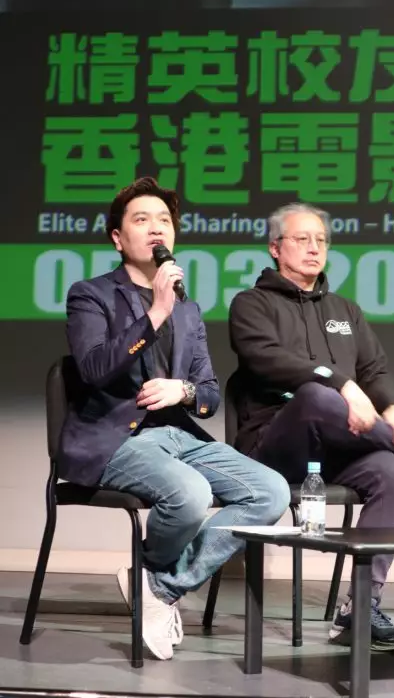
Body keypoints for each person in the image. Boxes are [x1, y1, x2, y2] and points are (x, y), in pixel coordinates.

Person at [57, 177, 290, 661]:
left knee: (271, 492)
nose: (156, 228)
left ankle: (159, 587)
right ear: (118, 238)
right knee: (190, 494)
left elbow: (208, 393)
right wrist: (157, 312)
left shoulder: (188, 310)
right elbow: (94, 368)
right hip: (115, 439)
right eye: (142, 219)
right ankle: (156, 585)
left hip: (179, 436)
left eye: (164, 220)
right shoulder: (91, 295)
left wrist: (181, 390)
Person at [229, 202, 394, 653]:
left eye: (321, 240)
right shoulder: (250, 304)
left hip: (336, 448)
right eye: (302, 239)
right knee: (316, 396)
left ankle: (359, 609)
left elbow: (374, 370)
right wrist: (341, 384)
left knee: (392, 474)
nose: (314, 248)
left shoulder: (344, 310)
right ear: (275, 248)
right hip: (274, 447)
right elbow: (267, 360)